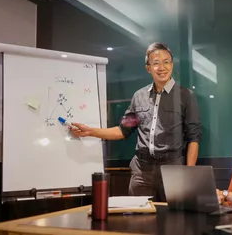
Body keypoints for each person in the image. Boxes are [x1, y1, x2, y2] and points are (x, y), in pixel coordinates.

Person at [70, 42, 202, 202]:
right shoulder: (139, 96)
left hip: (173, 168)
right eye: (156, 63)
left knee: (173, 222)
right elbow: (122, 131)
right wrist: (90, 131)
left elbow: (194, 138)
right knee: (138, 221)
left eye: (166, 62)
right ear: (148, 68)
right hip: (142, 170)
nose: (162, 67)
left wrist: (189, 174)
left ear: (172, 65)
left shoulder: (186, 96)